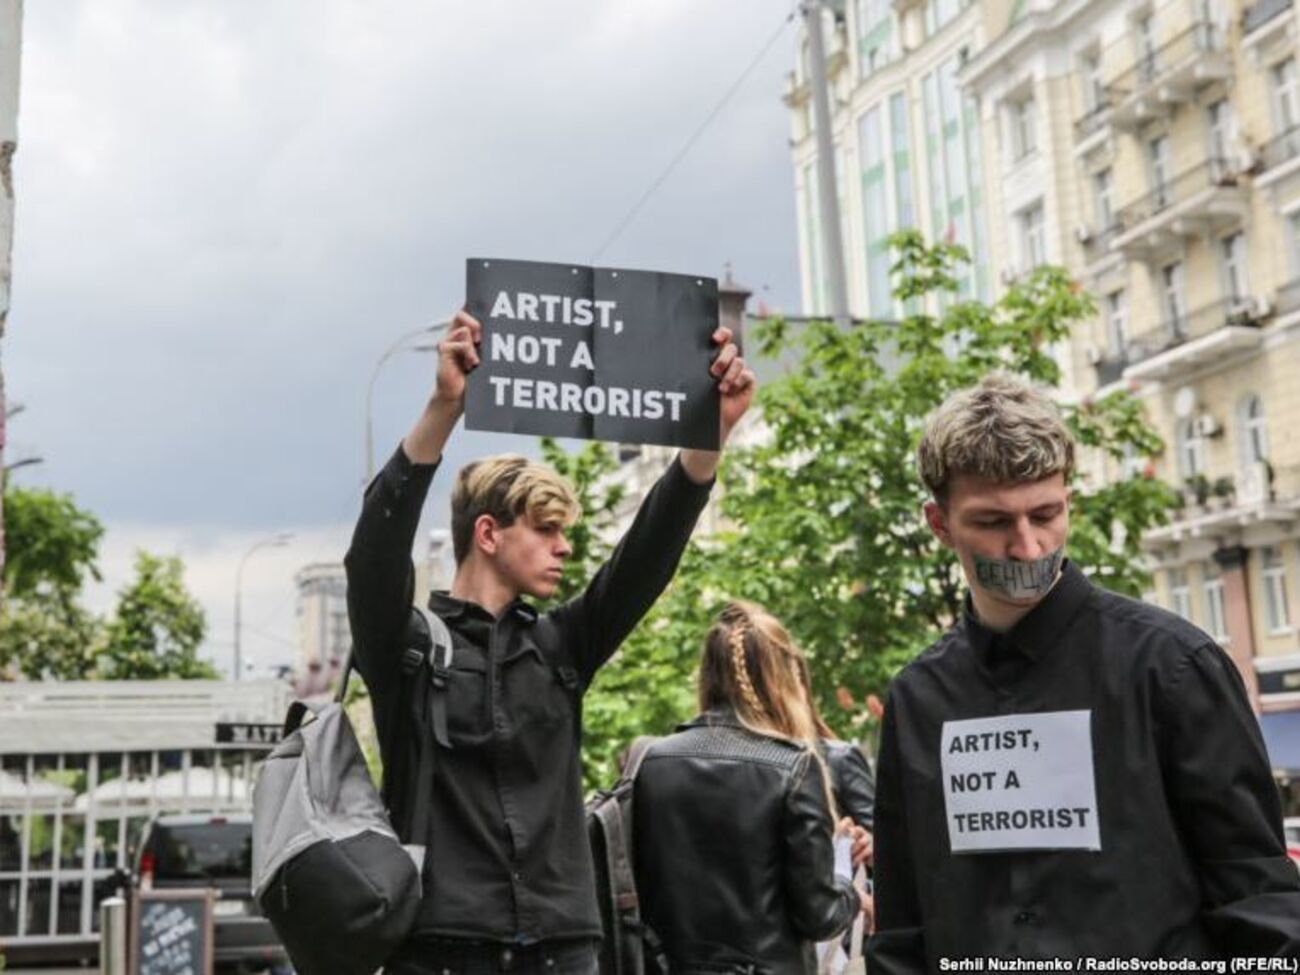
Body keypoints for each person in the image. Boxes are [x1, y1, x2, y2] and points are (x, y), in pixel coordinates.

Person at [345, 308, 755, 975]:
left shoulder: (563, 644)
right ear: (487, 534)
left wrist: (710, 434)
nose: (565, 546)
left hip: (565, 951)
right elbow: (372, 560)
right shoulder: (410, 650)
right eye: (545, 529)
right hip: (440, 951)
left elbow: (647, 555)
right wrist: (443, 409)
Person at [867, 373, 1300, 969]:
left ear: (1071, 500)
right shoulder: (919, 700)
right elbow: (903, 923)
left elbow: (1259, 899)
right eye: (992, 523)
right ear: (939, 524)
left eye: (1045, 514)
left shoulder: (1172, 668)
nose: (1028, 547)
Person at [633, 600, 867, 974]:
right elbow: (820, 915)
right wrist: (843, 872)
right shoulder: (793, 766)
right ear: (783, 677)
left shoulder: (649, 762)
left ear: (706, 672)